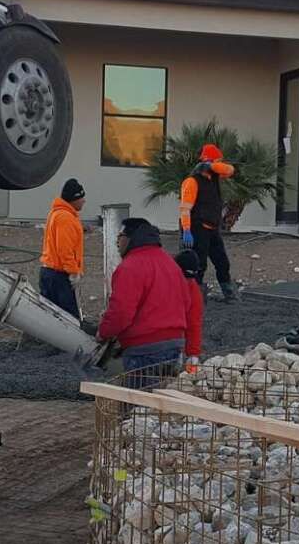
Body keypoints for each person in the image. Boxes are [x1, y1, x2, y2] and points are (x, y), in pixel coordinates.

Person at [97, 218, 198, 387]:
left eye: (120, 236)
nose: (117, 241)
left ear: (130, 238)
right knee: (159, 401)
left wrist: (103, 332)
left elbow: (121, 312)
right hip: (173, 345)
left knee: (138, 406)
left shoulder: (130, 267)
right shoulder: (169, 263)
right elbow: (186, 303)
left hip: (144, 350)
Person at [179, 143, 238, 303]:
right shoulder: (192, 181)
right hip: (196, 228)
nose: (219, 164)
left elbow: (229, 170)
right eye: (216, 161)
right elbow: (185, 208)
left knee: (222, 262)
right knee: (198, 265)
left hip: (212, 228)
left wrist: (211, 163)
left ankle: (228, 293)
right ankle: (194, 297)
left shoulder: (214, 177)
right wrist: (186, 230)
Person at [39, 179, 86, 319]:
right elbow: (65, 250)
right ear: (74, 199)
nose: (84, 201)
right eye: (82, 197)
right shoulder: (65, 217)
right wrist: (73, 272)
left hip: (50, 273)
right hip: (58, 276)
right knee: (69, 319)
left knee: (49, 316)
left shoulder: (57, 213)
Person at [172, 249, 206, 374]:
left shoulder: (194, 292)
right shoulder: (161, 280)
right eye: (184, 277)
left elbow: (193, 324)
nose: (186, 281)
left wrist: (193, 355)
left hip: (171, 343)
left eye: (189, 278)